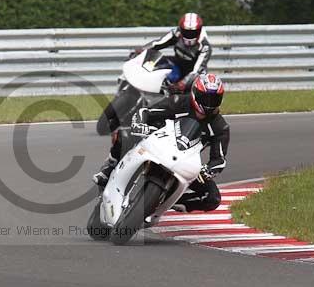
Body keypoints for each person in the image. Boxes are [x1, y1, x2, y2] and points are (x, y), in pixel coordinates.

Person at [92, 73, 229, 213]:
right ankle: (108, 170)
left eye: (214, 99)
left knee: (213, 198)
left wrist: (207, 171)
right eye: (205, 97)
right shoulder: (179, 101)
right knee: (123, 135)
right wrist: (139, 123)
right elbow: (146, 112)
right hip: (158, 141)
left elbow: (219, 159)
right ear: (195, 93)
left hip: (184, 161)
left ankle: (173, 202)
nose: (209, 103)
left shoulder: (220, 127)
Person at [130, 12, 212, 93]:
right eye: (186, 31)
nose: (189, 34)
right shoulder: (177, 33)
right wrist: (142, 50)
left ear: (200, 30)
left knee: (191, 94)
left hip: (195, 75)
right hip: (178, 65)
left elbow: (197, 71)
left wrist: (182, 84)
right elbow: (158, 43)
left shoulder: (204, 46)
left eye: (193, 32)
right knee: (158, 66)